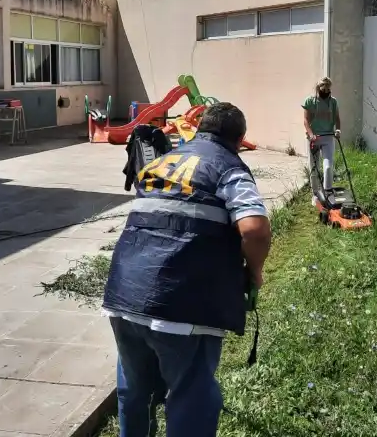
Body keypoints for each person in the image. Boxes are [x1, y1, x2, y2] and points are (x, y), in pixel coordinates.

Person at [102, 102, 272, 437]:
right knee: (191, 397)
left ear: (199, 129)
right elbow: (255, 230)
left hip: (124, 293)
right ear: (239, 140)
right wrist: (255, 272)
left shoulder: (160, 163)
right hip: (182, 304)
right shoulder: (229, 168)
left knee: (136, 389)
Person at [302, 77, 341, 205]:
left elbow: (337, 118)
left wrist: (338, 130)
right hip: (314, 138)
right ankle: (315, 194)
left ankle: (327, 193)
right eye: (323, 90)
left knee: (328, 167)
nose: (326, 92)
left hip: (328, 137)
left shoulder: (333, 102)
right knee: (314, 168)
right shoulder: (310, 101)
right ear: (318, 88)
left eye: (328, 90)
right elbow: (306, 120)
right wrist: (311, 134)